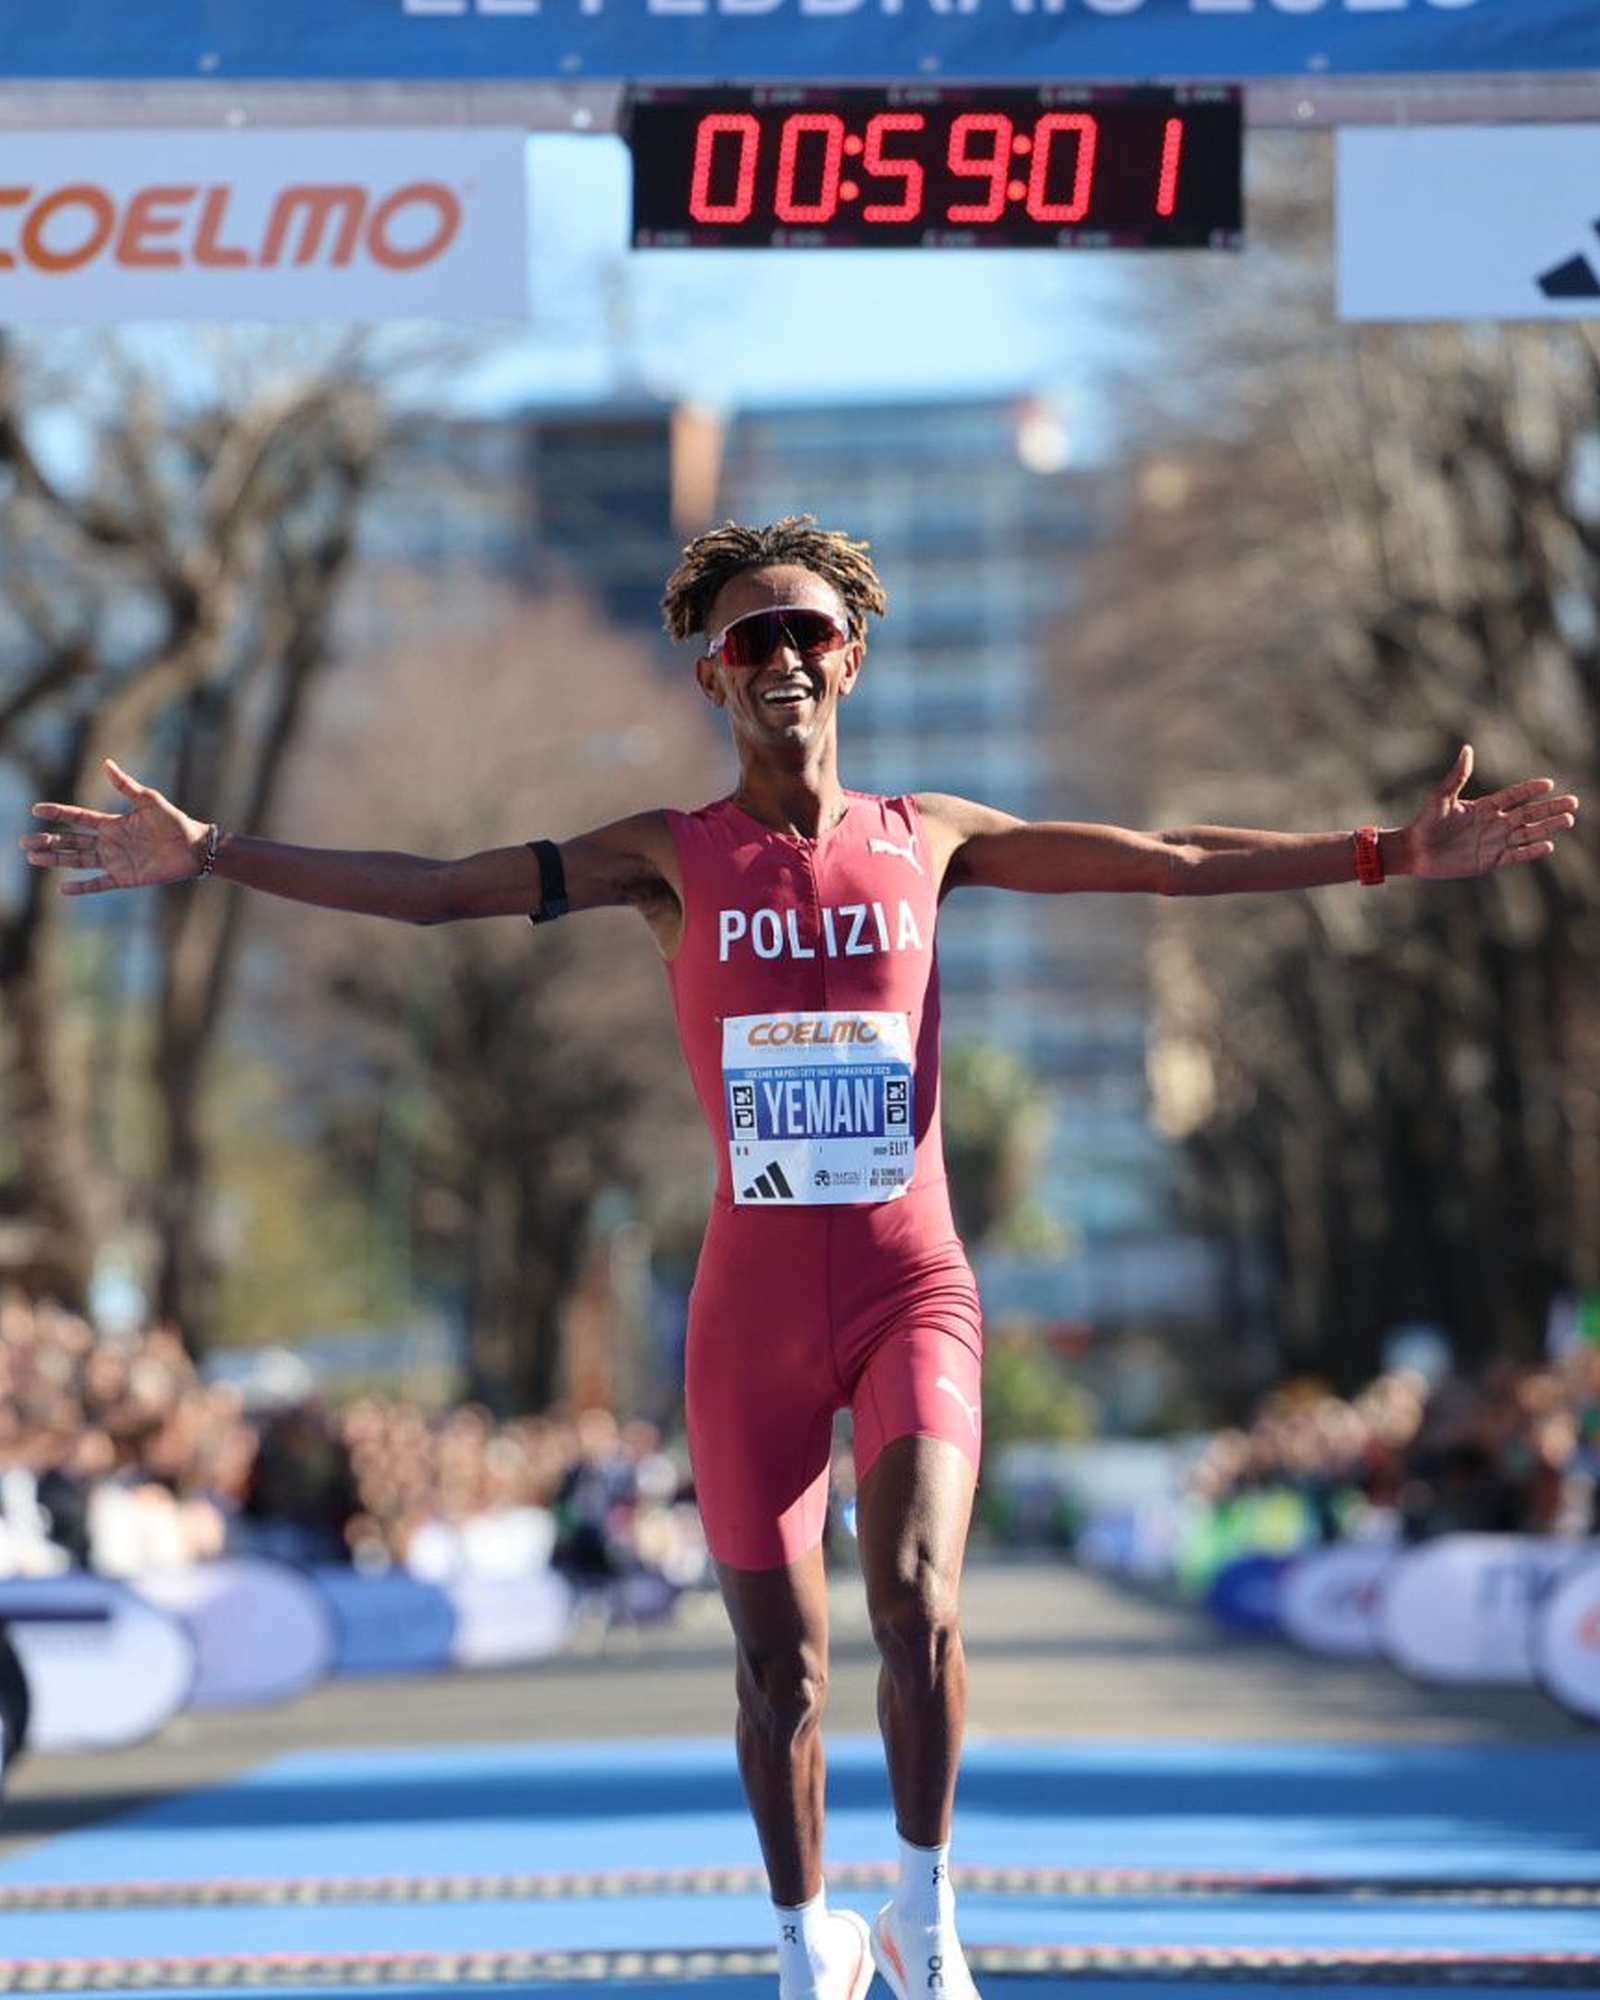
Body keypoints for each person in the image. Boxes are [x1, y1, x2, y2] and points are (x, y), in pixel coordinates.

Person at [20, 515, 1581, 2000]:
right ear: (711, 674)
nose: (782, 656)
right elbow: (440, 895)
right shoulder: (667, 856)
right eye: (749, 637)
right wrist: (211, 851)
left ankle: (927, 1919)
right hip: (750, 1319)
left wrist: (1384, 854)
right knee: (785, 1673)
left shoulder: (931, 837)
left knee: (919, 1601)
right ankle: (800, 1942)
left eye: (808, 632)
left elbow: (1165, 858)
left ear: (852, 658)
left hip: (912, 1287)